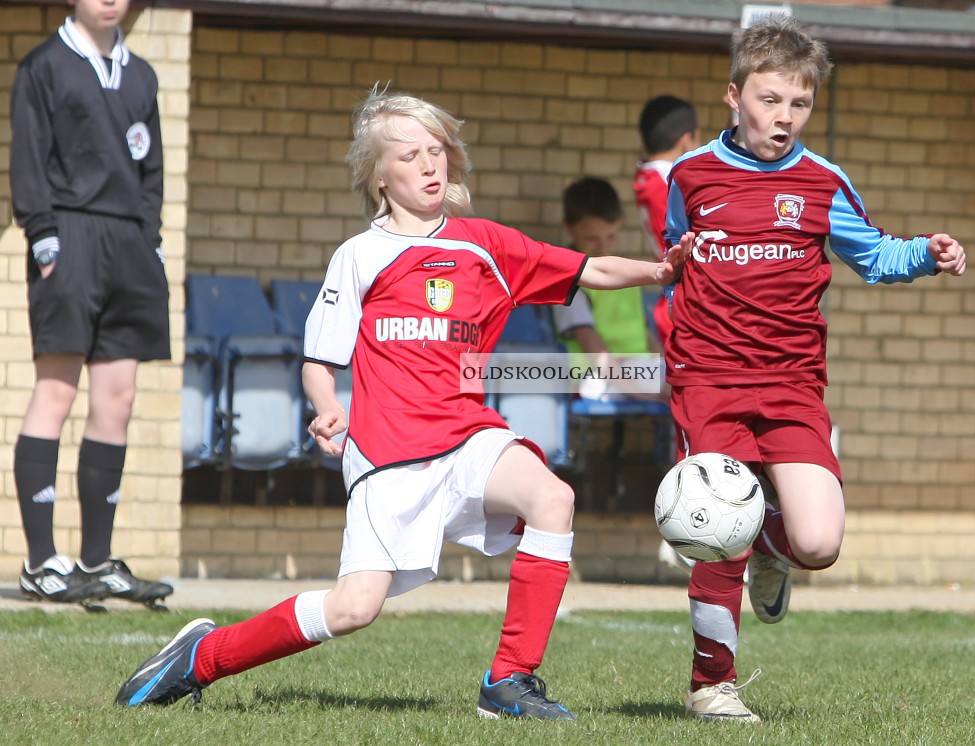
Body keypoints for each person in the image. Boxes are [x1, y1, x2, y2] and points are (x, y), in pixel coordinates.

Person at [116, 87, 686, 718]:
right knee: (353, 608)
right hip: (388, 454)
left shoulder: (484, 246)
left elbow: (591, 270)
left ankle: (509, 683)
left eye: (437, 150)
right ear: (378, 176)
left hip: (469, 436)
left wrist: (661, 272)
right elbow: (318, 360)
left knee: (553, 498)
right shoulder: (359, 257)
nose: (429, 164)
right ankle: (203, 656)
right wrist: (327, 404)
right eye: (410, 154)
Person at [661, 16, 966, 722]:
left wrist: (926, 252)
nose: (784, 118)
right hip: (707, 379)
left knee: (819, 543)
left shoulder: (823, 182)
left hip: (793, 384)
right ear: (734, 96)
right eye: (769, 100)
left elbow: (877, 255)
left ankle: (771, 538)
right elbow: (675, 253)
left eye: (799, 104)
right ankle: (712, 684)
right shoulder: (691, 175)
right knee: (715, 532)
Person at [9, 0, 173, 608]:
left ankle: (96, 562)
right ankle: (41, 563)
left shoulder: (143, 75)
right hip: (69, 239)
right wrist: (44, 237)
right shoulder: (44, 66)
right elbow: (27, 158)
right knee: (57, 392)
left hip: (127, 243)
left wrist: (148, 240)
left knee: (118, 398)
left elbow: (152, 169)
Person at [551, 176, 665, 402]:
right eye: (592, 238)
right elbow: (593, 348)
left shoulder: (625, 273)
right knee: (684, 390)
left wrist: (665, 361)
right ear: (568, 228)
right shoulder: (568, 280)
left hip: (637, 370)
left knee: (689, 375)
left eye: (610, 236)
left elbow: (645, 333)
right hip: (595, 376)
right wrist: (641, 392)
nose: (603, 247)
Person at [633, 95, 700, 348]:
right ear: (686, 140)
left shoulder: (647, 176)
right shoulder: (669, 181)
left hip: (673, 301)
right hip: (684, 303)